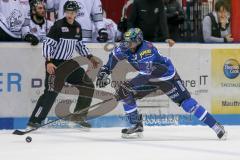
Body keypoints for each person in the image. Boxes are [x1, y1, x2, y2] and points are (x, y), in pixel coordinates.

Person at [96, 28, 226, 139]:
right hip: (150, 78)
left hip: (166, 78)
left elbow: (145, 76)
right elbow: (114, 56)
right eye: (126, 41)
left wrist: (127, 86)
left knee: (187, 104)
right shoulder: (126, 47)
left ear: (138, 41)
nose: (126, 44)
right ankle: (136, 125)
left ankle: (215, 125)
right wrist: (105, 69)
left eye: (130, 42)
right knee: (126, 94)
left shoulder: (146, 51)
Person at [27, 1, 99, 129]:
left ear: (77, 13)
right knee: (50, 93)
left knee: (87, 84)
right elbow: (47, 44)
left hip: (68, 63)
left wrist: (90, 56)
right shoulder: (58, 26)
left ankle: (79, 116)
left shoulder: (77, 27)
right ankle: (35, 121)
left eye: (73, 12)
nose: (70, 14)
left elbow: (79, 44)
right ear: (65, 12)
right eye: (68, 12)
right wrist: (48, 62)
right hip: (55, 63)